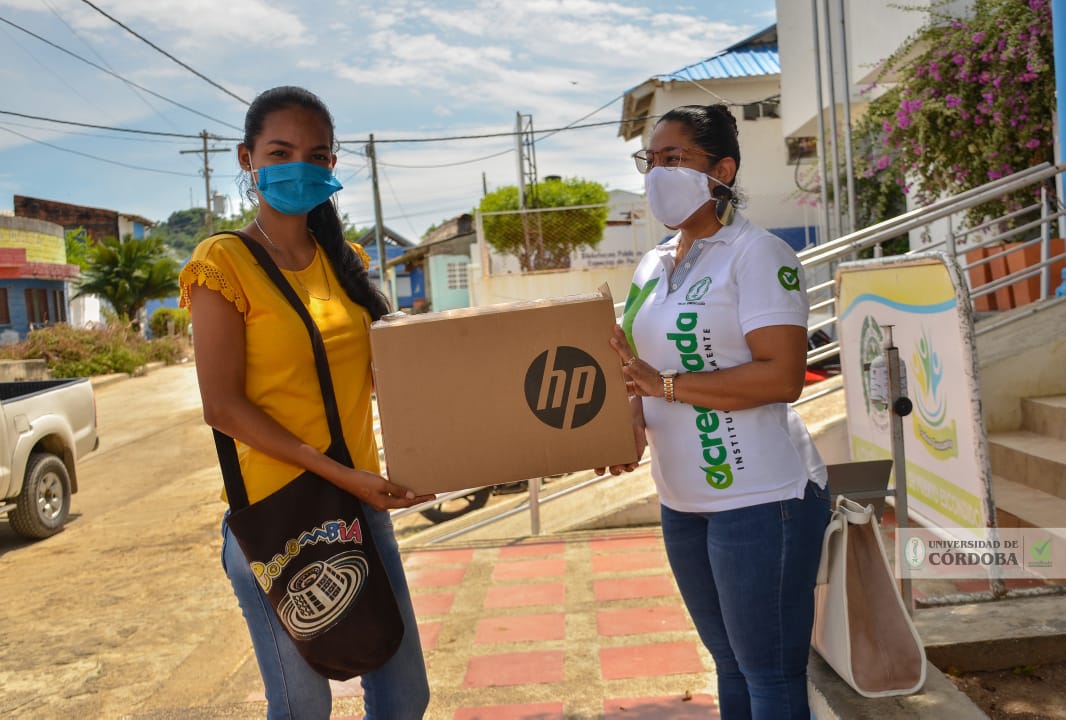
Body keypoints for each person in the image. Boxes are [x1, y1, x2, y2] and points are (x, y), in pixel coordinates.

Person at [180, 86, 432, 720]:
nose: (302, 166)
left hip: (360, 504)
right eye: (281, 150)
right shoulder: (223, 261)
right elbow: (223, 407)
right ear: (246, 157)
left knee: (405, 697)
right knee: (301, 708)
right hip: (282, 518)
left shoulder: (342, 261)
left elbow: (388, 377)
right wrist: (341, 474)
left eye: (317, 154)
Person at [599, 104, 831, 719]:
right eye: (650, 161)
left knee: (770, 674)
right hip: (684, 504)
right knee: (729, 664)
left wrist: (667, 387)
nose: (655, 174)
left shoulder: (759, 254)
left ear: (721, 169)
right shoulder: (652, 265)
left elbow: (782, 376)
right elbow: (636, 372)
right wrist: (627, 420)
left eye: (673, 159)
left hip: (762, 501)